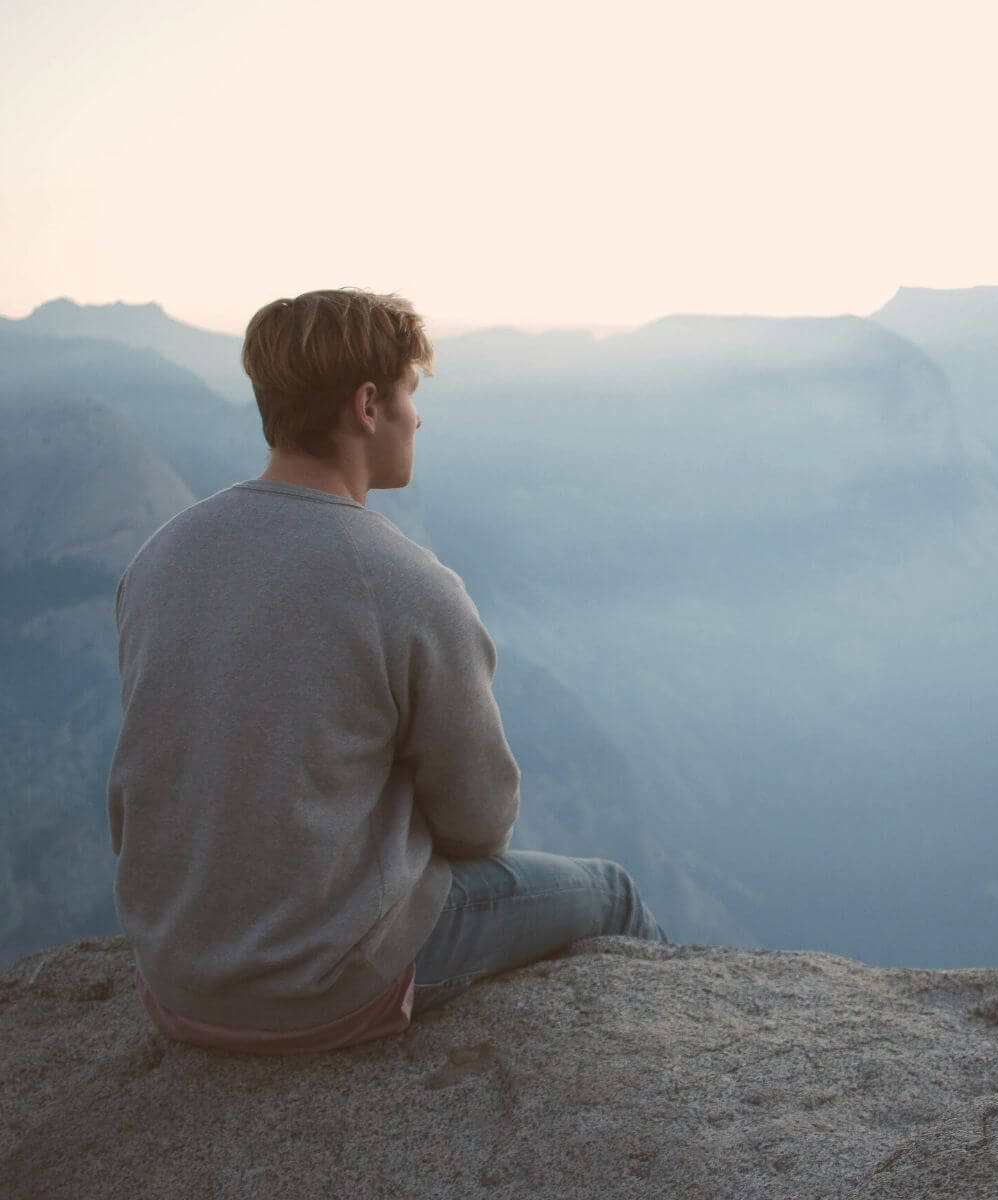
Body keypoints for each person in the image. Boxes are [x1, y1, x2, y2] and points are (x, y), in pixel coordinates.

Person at [106, 287, 668, 1054]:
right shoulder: (406, 585)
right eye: (411, 391)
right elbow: (481, 822)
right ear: (368, 405)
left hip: (174, 986)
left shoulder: (157, 561)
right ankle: (687, 1067)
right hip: (326, 990)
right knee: (613, 891)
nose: (418, 416)